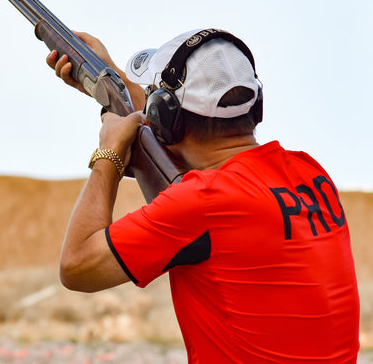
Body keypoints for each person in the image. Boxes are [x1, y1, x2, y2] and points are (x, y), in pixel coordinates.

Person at [46, 28, 360, 363]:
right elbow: (187, 149)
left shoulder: (205, 201)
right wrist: (110, 78)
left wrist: (109, 153)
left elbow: (77, 265)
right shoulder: (310, 173)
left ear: (165, 117)